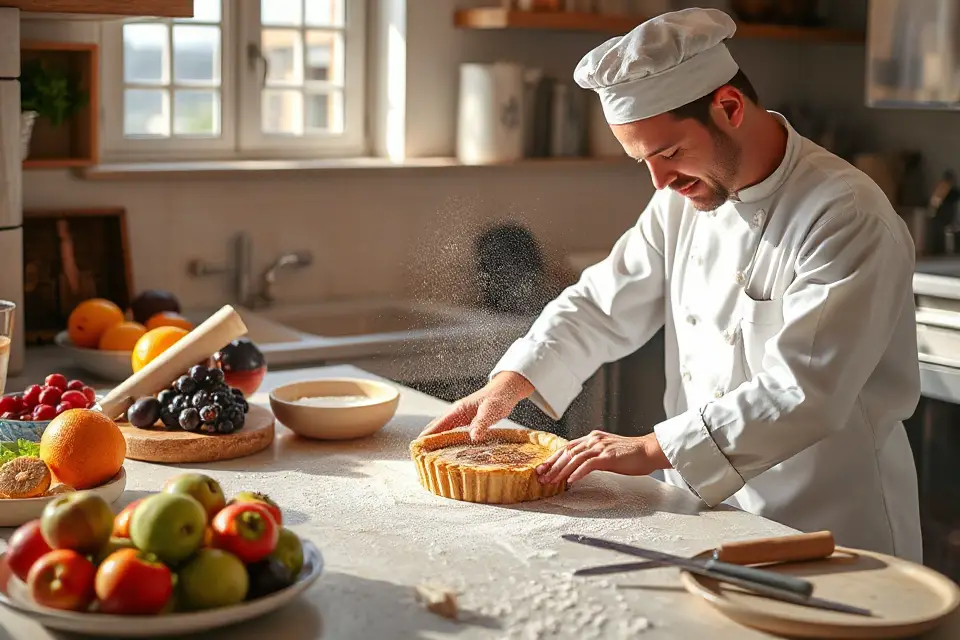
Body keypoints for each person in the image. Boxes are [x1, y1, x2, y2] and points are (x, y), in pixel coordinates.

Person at [420, 7, 923, 562]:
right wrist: (513, 380)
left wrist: (652, 448)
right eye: (643, 162)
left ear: (728, 107)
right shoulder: (681, 199)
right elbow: (603, 301)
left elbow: (805, 392)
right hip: (712, 517)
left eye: (669, 153)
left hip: (828, 527)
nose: (660, 182)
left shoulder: (844, 215)